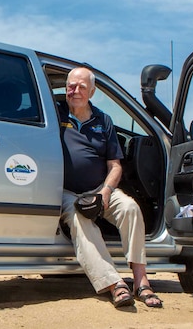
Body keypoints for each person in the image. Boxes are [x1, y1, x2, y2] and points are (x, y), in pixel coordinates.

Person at [59, 67, 163, 309]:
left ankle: (141, 280)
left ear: (92, 91)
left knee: (130, 208)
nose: (75, 91)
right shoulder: (56, 113)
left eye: (81, 87)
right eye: (71, 86)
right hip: (66, 192)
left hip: (99, 188)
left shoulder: (103, 120)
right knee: (78, 218)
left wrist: (104, 192)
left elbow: (115, 165)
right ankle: (115, 284)